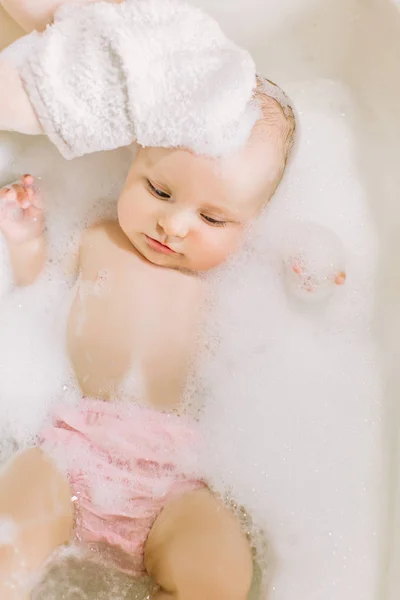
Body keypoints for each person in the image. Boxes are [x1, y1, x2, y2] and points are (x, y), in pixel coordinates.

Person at [0, 2, 296, 599]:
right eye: (159, 190)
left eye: (212, 218)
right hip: (69, 448)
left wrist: (304, 271)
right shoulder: (94, 235)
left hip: (177, 482)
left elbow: (266, 342)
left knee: (218, 581)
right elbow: (35, 287)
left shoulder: (228, 280)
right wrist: (26, 237)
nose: (175, 225)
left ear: (252, 226)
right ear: (133, 159)